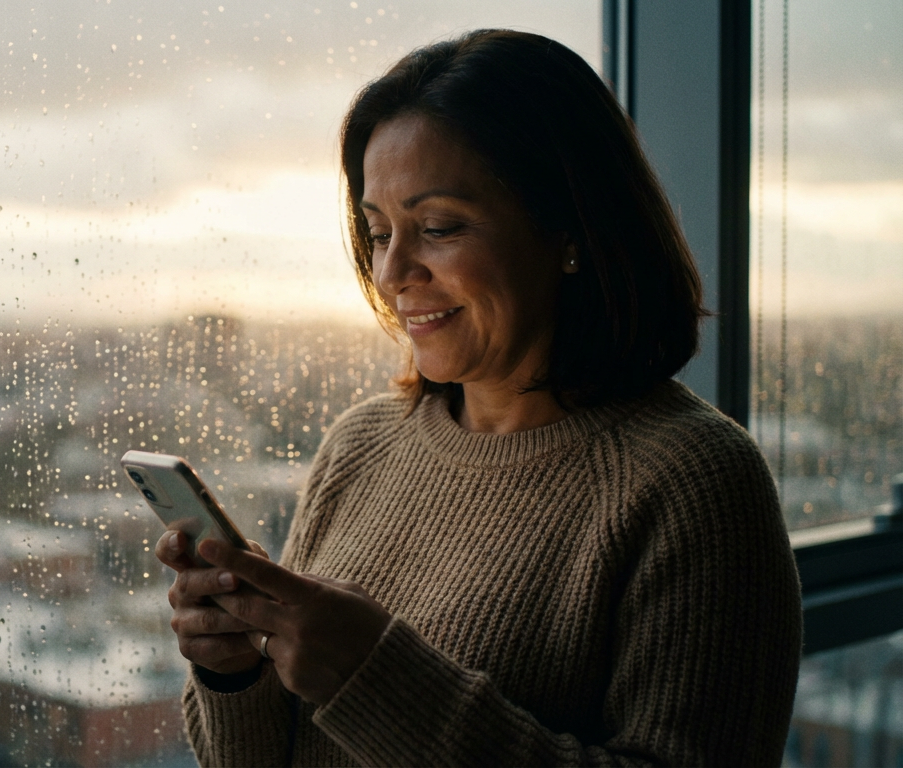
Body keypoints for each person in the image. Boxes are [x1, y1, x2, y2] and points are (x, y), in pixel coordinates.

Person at [154, 29, 801, 767]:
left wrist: (374, 679)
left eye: (438, 227)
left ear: (570, 229)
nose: (392, 271)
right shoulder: (361, 444)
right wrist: (234, 669)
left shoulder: (693, 483)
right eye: (378, 232)